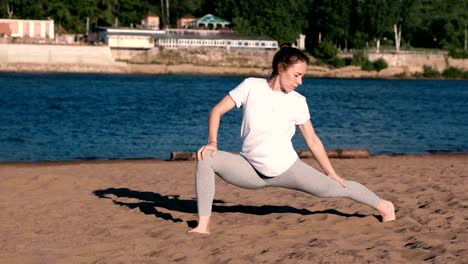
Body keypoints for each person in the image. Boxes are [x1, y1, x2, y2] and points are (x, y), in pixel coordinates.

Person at [189, 45, 395, 234]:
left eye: (302, 76)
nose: (300, 82)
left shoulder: (298, 102)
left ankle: (384, 206)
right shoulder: (251, 86)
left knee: (335, 189)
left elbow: (312, 140)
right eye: (297, 75)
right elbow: (216, 111)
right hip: (250, 170)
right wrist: (213, 142)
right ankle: (203, 226)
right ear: (281, 68)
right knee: (206, 157)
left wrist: (330, 172)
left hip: (288, 170)